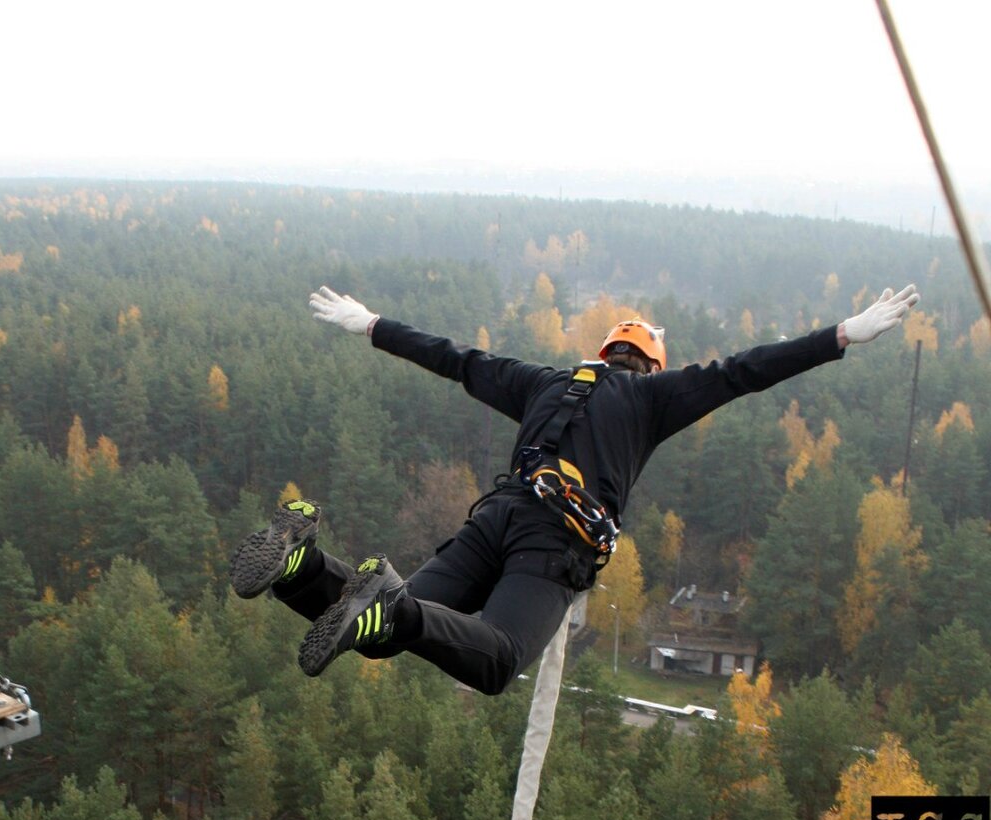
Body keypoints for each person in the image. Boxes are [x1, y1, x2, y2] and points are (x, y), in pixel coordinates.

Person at [229, 283, 920, 695]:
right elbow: (745, 370)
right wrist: (841, 336)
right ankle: (387, 602)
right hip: (553, 540)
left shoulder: (546, 381)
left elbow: (457, 360)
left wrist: (373, 323)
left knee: (380, 627)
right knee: (494, 658)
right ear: (650, 365)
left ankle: (303, 564)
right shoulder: (652, 398)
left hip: (494, 517)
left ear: (603, 353)